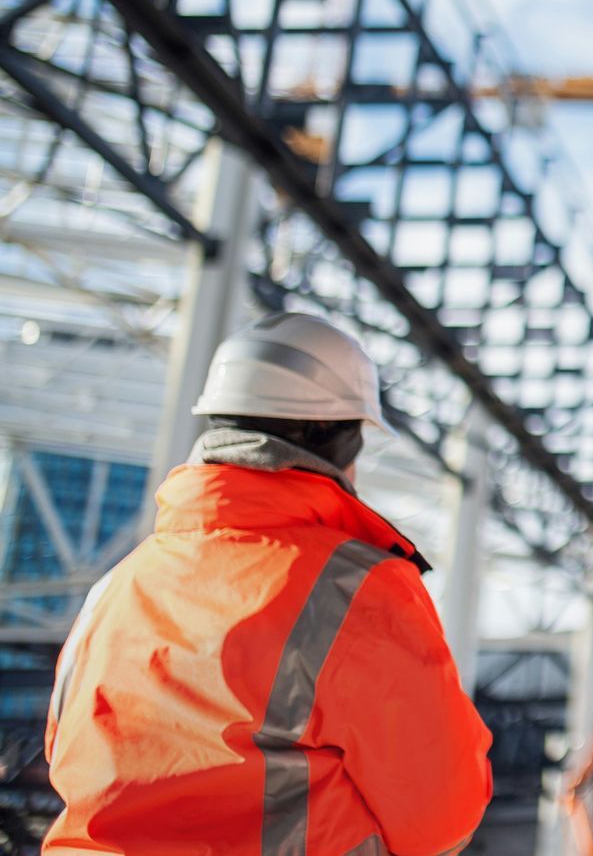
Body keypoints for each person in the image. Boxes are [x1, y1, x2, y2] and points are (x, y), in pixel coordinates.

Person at [44, 311, 494, 855]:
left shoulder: (116, 586)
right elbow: (442, 815)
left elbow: (63, 751)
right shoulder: (359, 589)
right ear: (341, 442)